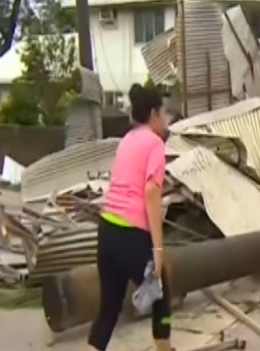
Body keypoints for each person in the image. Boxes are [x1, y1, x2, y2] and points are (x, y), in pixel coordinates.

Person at [86, 84, 172, 351]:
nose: (166, 120)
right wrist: (158, 250)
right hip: (131, 235)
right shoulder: (155, 144)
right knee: (161, 294)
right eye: (164, 113)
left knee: (108, 311)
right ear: (155, 114)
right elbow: (150, 193)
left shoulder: (127, 141)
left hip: (107, 231)